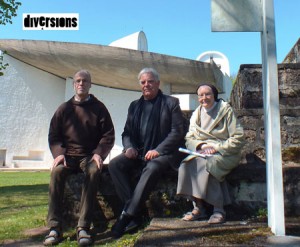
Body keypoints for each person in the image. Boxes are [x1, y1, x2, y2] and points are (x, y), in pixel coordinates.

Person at [108, 67, 187, 238]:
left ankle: (126, 216)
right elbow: (126, 133)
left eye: (150, 81)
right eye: (143, 82)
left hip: (164, 154)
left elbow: (177, 132)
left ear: (158, 83)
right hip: (138, 153)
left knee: (152, 167)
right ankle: (136, 212)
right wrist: (129, 148)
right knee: (115, 164)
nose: (146, 85)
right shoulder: (134, 106)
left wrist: (158, 150)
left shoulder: (171, 103)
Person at [43, 70, 115, 246]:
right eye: (78, 81)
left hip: (88, 156)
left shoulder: (99, 108)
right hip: (67, 156)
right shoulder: (64, 109)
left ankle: (83, 227)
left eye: (85, 81)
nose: (81, 83)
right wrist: (59, 154)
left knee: (93, 171)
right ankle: (54, 228)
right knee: (57, 172)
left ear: (90, 85)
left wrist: (99, 153)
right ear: (74, 84)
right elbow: (54, 135)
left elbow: (108, 135)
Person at [176, 83, 245, 224]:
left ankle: (219, 209)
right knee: (186, 165)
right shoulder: (196, 114)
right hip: (202, 152)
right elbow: (189, 138)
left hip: (225, 152)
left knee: (208, 165)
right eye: (200, 95)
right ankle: (198, 207)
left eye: (207, 94)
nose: (204, 98)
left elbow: (238, 137)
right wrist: (201, 145)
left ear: (214, 95)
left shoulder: (226, 111)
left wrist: (216, 148)